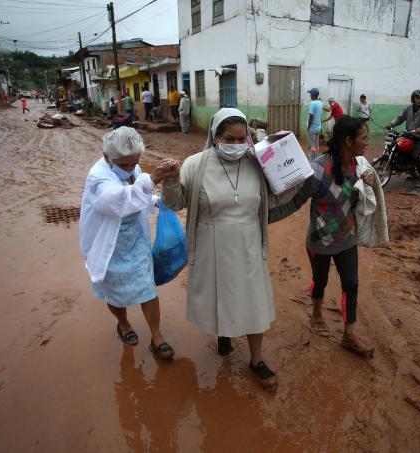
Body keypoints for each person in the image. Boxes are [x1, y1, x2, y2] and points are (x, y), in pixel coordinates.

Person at [159, 108, 301, 391]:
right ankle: (224, 333)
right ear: (215, 137)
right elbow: (176, 203)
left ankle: (256, 360)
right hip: (212, 246)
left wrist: (294, 172)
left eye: (241, 139)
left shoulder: (257, 162)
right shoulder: (195, 165)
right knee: (221, 296)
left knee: (253, 300)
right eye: (229, 139)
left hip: (249, 244)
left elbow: (274, 199)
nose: (236, 145)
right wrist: (171, 180)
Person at [269, 116, 376, 359]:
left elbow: (362, 199)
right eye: (364, 138)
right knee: (320, 280)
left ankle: (349, 334)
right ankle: (316, 314)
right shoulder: (317, 171)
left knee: (351, 284)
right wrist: (266, 217)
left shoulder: (360, 167)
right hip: (320, 241)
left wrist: (367, 182)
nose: (367, 142)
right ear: (348, 141)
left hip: (347, 238)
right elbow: (295, 201)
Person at [79, 127, 177, 360]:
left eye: (135, 163)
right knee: (114, 291)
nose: (130, 169)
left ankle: (157, 337)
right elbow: (119, 201)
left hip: (135, 239)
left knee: (147, 287)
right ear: (107, 157)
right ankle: (123, 323)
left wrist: (155, 201)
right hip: (109, 244)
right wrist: (152, 180)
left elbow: (138, 195)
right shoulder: (98, 178)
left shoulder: (133, 169)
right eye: (124, 165)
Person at [386, 89, 420, 188]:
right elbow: (401, 118)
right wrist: (391, 124)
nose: (419, 100)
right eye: (417, 98)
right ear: (413, 99)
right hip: (409, 134)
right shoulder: (409, 108)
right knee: (398, 145)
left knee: (416, 156)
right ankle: (404, 166)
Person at [307, 88, 323, 164]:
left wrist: (308, 127)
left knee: (312, 145)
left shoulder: (312, 103)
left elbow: (311, 115)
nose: (310, 95)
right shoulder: (320, 103)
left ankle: (312, 162)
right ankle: (316, 158)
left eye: (310, 94)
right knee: (316, 144)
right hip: (318, 127)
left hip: (312, 128)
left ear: (313, 95)